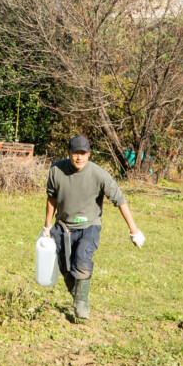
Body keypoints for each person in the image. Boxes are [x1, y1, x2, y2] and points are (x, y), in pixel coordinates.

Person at [43, 134, 143, 322]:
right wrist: (47, 227)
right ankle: (78, 295)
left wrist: (134, 231)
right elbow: (51, 198)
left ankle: (81, 305)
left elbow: (120, 200)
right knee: (66, 269)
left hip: (89, 226)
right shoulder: (56, 170)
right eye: (75, 153)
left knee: (82, 259)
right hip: (63, 226)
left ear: (89, 154)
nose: (79, 157)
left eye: (83, 153)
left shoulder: (99, 174)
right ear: (69, 152)